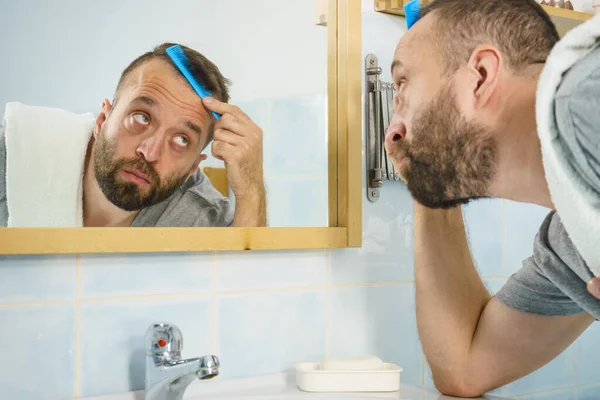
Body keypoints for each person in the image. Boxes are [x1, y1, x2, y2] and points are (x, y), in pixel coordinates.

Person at [384, 0, 600, 396]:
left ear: (480, 76)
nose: (392, 129)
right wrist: (426, 184)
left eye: (402, 84)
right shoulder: (575, 240)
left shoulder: (584, 98)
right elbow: (465, 367)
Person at [0, 43, 266, 227]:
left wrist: (250, 191)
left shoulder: (199, 214)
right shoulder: (12, 162)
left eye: (182, 139)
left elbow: (244, 294)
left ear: (192, 168)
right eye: (141, 118)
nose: (149, 152)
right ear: (103, 119)